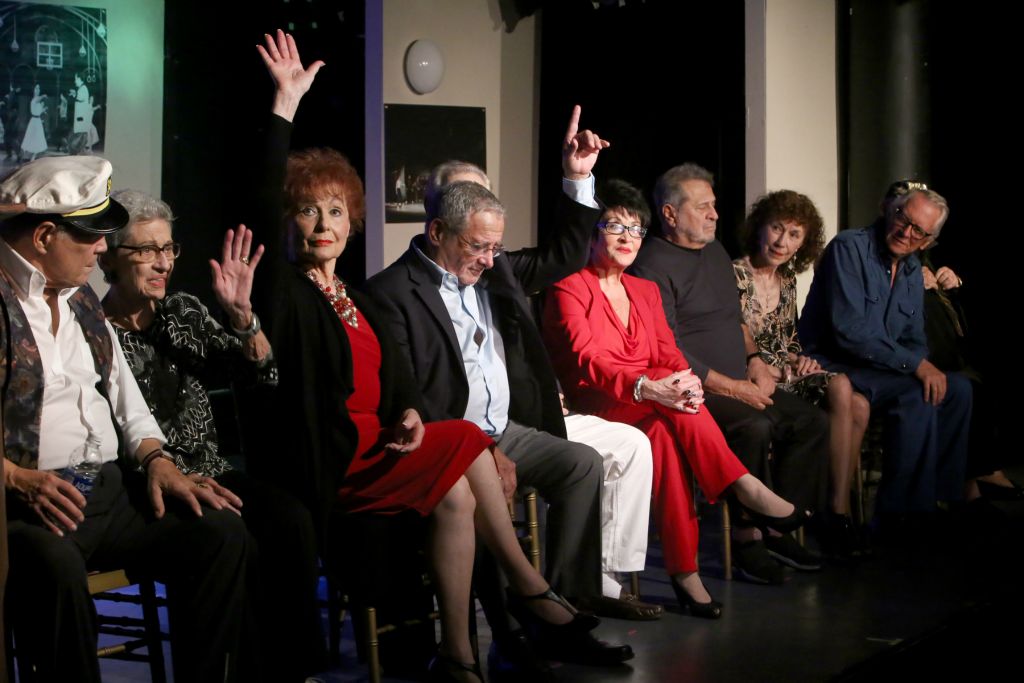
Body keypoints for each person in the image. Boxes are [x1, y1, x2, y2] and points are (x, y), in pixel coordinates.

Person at [248, 31, 628, 682]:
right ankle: (530, 591)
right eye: (307, 211)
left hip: (394, 443)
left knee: (458, 494)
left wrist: (408, 414)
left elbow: (396, 383)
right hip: (342, 459)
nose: (322, 223)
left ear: (353, 219)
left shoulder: (354, 298)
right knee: (471, 445)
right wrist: (284, 106)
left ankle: (459, 654)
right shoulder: (294, 295)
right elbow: (257, 207)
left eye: (336, 210)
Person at [1, 155, 250, 682]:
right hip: (28, 505)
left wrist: (157, 459)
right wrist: (16, 477)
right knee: (55, 567)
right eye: (91, 236)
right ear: (45, 235)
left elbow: (125, 398)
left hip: (107, 493)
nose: (101, 249)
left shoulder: (81, 301)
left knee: (221, 533)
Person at [543, 179, 809, 617]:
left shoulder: (643, 291)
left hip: (651, 406)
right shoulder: (570, 286)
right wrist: (651, 386)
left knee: (666, 433)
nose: (628, 238)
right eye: (615, 228)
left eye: (636, 230)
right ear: (592, 232)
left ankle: (686, 573)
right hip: (597, 404)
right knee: (671, 403)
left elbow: (668, 351)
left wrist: (686, 382)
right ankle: (743, 486)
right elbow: (585, 360)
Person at [98, 189, 325, 681]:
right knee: (224, 534)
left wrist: (243, 318)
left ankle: (292, 670)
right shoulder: (94, 333)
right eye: (147, 250)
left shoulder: (182, 312)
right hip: (151, 483)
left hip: (214, 471)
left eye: (169, 249)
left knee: (290, 520)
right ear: (111, 258)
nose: (163, 263)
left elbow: (261, 374)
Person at [423, 160, 660, 621]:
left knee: (584, 462)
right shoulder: (410, 287)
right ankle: (520, 612)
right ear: (438, 218)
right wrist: (483, 447)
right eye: (465, 201)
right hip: (458, 438)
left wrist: (575, 177)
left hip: (514, 421)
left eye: (485, 200)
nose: (479, 212)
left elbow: (566, 252)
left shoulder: (497, 270)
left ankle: (575, 594)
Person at [630, 163, 829, 583]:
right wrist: (733, 387)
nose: (714, 215)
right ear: (669, 214)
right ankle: (746, 537)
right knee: (753, 427)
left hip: (740, 376)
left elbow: (735, 318)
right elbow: (666, 350)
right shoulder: (651, 264)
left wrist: (755, 361)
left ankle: (776, 527)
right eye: (703, 207)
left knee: (810, 421)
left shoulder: (715, 251)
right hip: (695, 389)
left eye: (714, 206)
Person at [798, 182, 971, 519]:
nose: (905, 233)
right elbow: (850, 331)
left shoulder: (910, 268)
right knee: (918, 392)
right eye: (902, 219)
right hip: (836, 364)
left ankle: (944, 501)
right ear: (890, 211)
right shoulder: (850, 247)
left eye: (917, 230)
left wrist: (917, 361)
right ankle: (901, 514)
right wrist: (916, 366)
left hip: (880, 369)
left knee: (958, 390)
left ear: (928, 241)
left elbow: (915, 336)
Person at [733, 190, 870, 558]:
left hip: (789, 374)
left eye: (795, 234)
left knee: (859, 406)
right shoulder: (734, 273)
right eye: (777, 228)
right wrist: (775, 366)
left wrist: (800, 360)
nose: (783, 241)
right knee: (841, 385)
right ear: (760, 227)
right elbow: (735, 340)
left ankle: (827, 509)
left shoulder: (789, 279)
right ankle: (832, 515)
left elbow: (790, 339)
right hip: (756, 376)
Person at [19, 84, 47, 161]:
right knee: (30, 138)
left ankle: (34, 155)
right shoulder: (34, 99)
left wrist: (43, 110)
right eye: (36, 88)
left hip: (38, 121)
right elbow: (37, 100)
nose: (38, 90)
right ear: (33, 90)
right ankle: (24, 155)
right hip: (34, 122)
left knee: (38, 138)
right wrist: (43, 96)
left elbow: (39, 111)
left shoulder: (38, 100)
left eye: (39, 88)